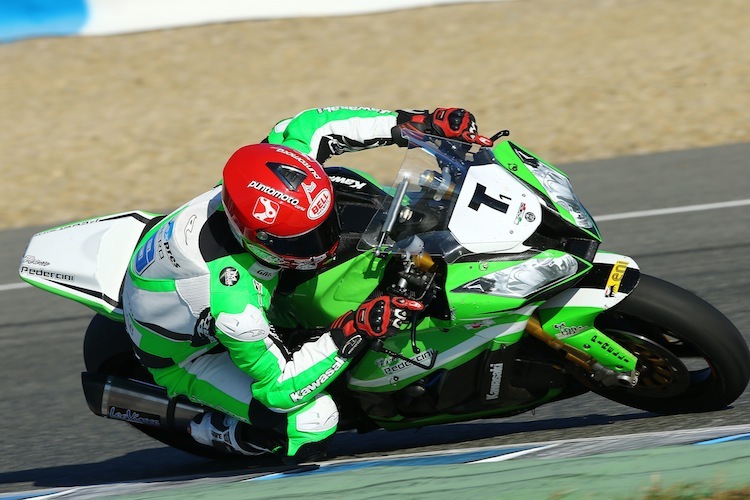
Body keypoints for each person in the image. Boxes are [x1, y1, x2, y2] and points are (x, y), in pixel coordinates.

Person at [121, 106, 487, 462]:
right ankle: (224, 431)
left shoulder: (264, 179)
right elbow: (283, 389)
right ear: (255, 238)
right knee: (313, 419)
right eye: (300, 242)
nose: (321, 245)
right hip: (192, 356)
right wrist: (357, 328)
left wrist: (416, 122)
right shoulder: (235, 305)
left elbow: (315, 126)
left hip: (208, 277)